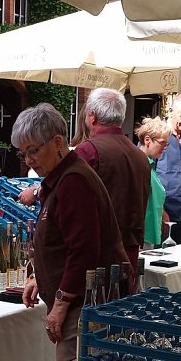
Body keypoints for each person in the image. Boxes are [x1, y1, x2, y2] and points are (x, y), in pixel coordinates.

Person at [14, 103, 127, 361]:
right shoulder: (61, 177)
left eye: (33, 150)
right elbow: (60, 240)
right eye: (23, 153)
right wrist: (37, 276)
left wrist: (60, 304)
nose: (28, 160)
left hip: (84, 306)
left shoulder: (74, 179)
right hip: (82, 300)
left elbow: (84, 251)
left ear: (59, 141)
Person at [76, 88, 150, 274]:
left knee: (96, 301)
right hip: (130, 248)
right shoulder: (140, 156)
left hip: (98, 251)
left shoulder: (88, 151)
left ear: (92, 116)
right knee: (122, 301)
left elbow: (71, 201)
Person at [155, 94, 181, 244]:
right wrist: (160, 211)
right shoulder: (157, 135)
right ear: (171, 111)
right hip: (163, 212)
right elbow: (145, 174)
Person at [136, 118, 172, 248]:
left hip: (149, 234)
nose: (164, 148)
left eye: (166, 144)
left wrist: (162, 213)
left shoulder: (150, 164)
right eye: (162, 143)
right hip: (141, 237)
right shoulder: (139, 163)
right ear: (147, 140)